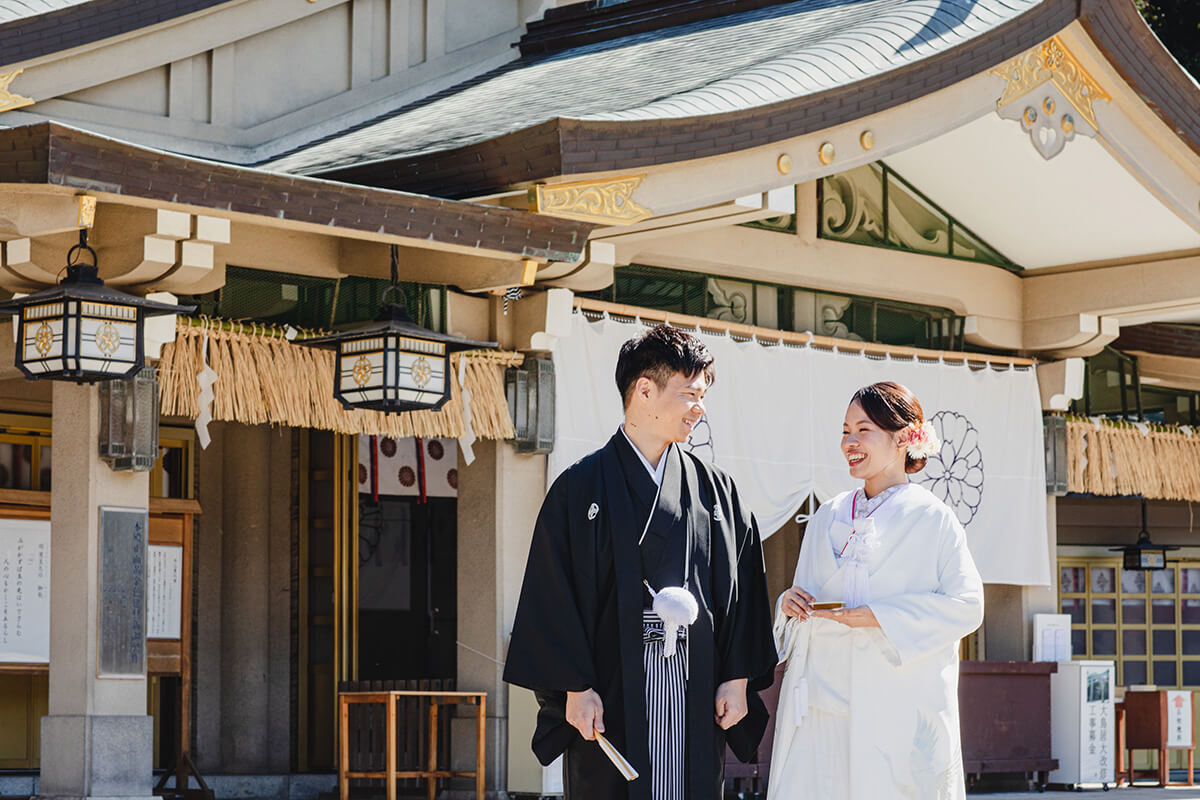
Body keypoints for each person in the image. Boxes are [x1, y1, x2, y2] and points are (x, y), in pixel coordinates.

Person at [504, 323, 777, 800]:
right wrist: (573, 686)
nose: (700, 407)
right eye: (690, 393)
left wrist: (735, 679)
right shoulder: (578, 488)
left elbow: (742, 587)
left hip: (694, 684)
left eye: (704, 394)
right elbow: (552, 593)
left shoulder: (717, 491)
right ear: (645, 390)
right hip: (608, 688)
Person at [767, 381, 984, 800]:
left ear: (904, 438)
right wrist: (789, 604)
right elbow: (806, 595)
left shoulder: (934, 518)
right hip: (824, 701)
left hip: (895, 699)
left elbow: (967, 606)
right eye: (845, 430)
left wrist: (882, 615)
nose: (850, 441)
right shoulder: (827, 515)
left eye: (863, 430)